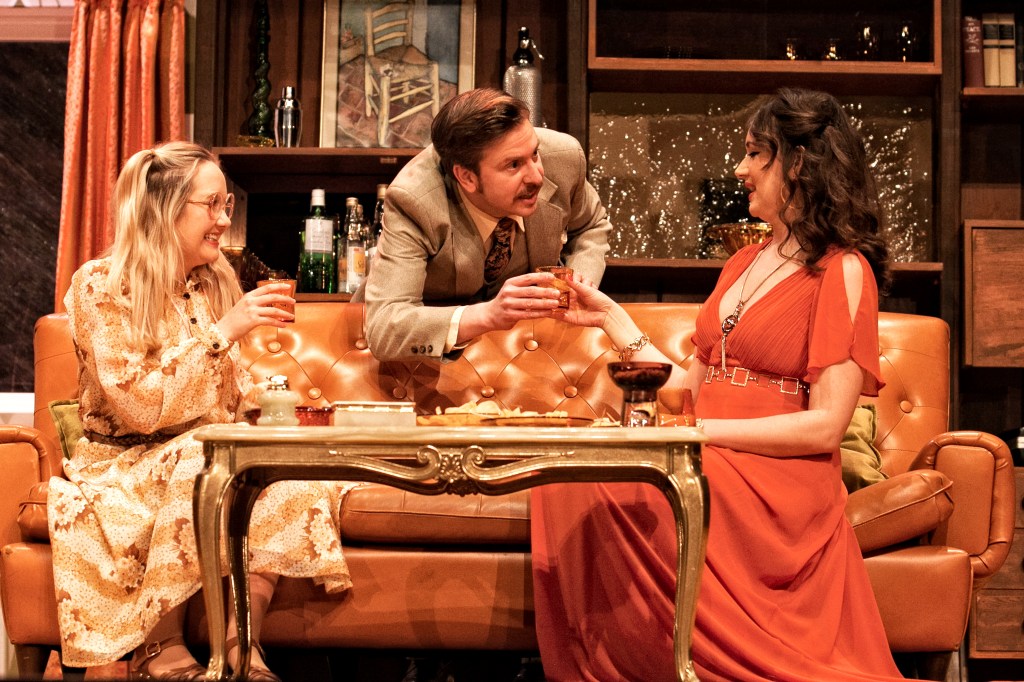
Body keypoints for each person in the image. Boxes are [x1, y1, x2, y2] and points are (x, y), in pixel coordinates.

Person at [532, 88, 904, 681]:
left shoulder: (843, 269)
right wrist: (610, 318)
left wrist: (698, 432)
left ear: (798, 163)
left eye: (755, 153)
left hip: (777, 480)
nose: (738, 169)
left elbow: (825, 427)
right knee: (570, 471)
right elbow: (690, 391)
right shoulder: (742, 264)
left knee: (615, 481)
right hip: (711, 453)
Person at [47, 142, 354, 681]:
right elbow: (138, 407)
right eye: (211, 205)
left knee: (277, 467)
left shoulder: (207, 284)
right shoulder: (101, 285)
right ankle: (158, 650)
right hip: (124, 463)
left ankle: (242, 648)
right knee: (208, 456)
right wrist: (225, 331)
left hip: (201, 451)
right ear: (164, 208)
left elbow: (227, 395)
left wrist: (281, 411)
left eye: (226, 205)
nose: (224, 220)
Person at [360, 87, 611, 362]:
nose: (537, 177)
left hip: (526, 358)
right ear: (467, 178)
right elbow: (385, 328)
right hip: (428, 363)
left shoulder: (564, 160)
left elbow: (591, 225)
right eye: (513, 165)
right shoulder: (415, 200)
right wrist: (488, 315)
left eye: (535, 154)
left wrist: (580, 280)